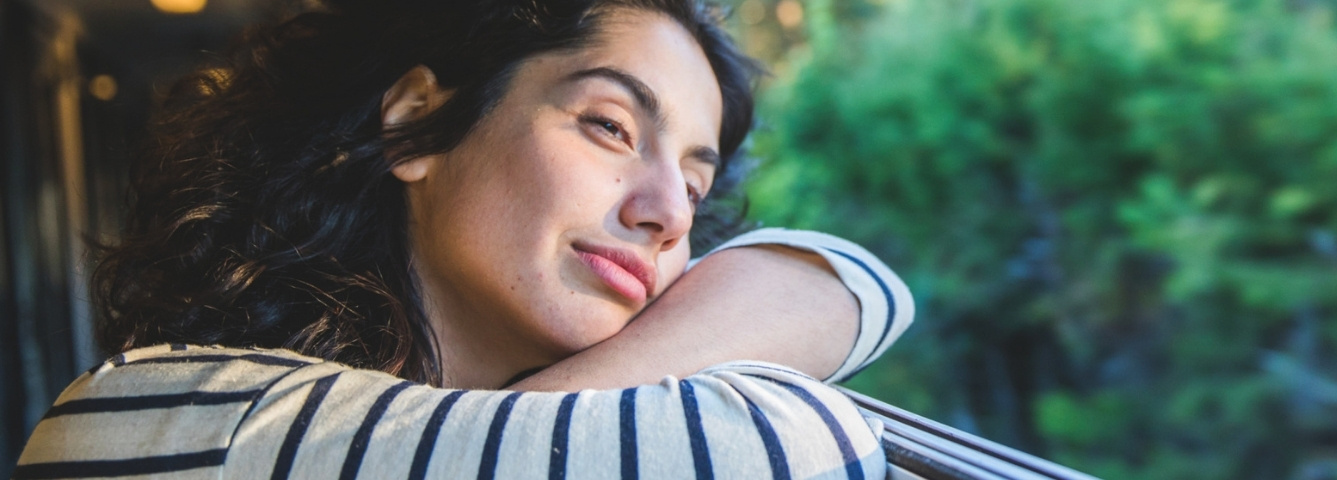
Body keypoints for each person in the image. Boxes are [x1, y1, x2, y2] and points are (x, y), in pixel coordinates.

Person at [13, 0, 914, 478]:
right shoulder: (152, 421)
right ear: (412, 127)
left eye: (694, 182)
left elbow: (851, 282)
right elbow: (795, 444)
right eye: (609, 126)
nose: (667, 213)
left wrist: (560, 398)